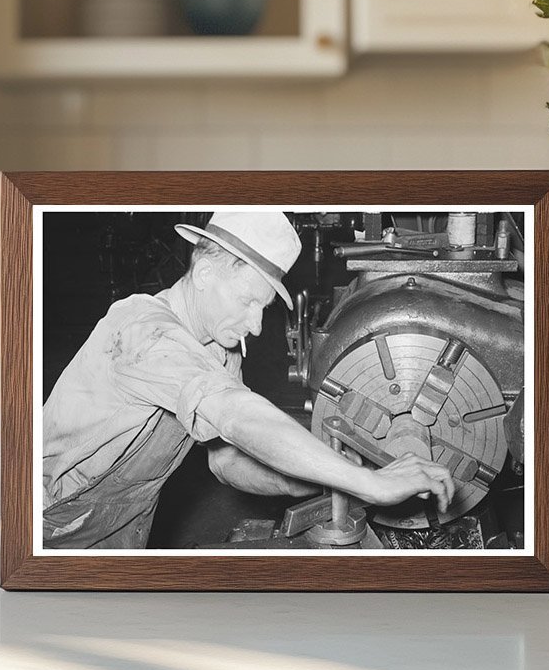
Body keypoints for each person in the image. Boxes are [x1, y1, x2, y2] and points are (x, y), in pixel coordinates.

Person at [41, 211, 455, 549]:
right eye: (247, 301)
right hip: (47, 521)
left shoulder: (221, 349)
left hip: (127, 522)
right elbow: (236, 416)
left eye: (264, 307)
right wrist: (370, 484)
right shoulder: (142, 331)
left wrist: (312, 478)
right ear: (204, 273)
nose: (256, 326)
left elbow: (227, 460)